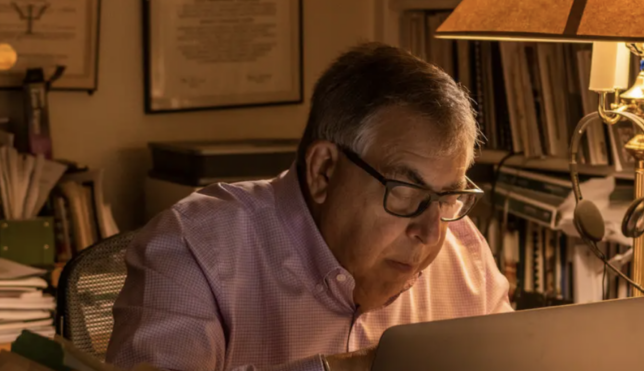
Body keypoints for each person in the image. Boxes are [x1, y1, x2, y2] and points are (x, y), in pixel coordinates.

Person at [106, 42, 511, 371]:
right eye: (406, 190)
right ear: (324, 170)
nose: (431, 232)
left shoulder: (464, 253)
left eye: (447, 197)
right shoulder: (193, 247)